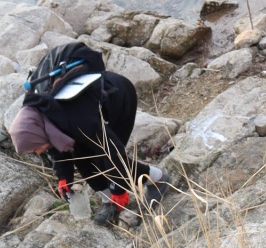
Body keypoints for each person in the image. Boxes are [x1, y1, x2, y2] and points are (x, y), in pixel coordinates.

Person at [9, 68, 171, 227]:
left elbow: (112, 152)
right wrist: (64, 176)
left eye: (35, 148)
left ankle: (158, 180)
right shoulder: (44, 122)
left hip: (118, 97)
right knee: (82, 160)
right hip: (90, 112)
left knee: (103, 160)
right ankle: (109, 202)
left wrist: (118, 188)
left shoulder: (76, 119)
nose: (38, 152)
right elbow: (57, 148)